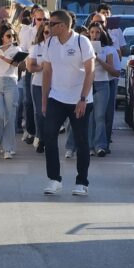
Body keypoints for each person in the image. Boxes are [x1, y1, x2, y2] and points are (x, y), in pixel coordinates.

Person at [41, 10, 95, 197]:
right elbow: (47, 72)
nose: (47, 27)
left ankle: (82, 182)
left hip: (79, 99)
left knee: (81, 140)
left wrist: (82, 99)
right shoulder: (49, 42)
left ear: (63, 26)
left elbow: (90, 72)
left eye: (51, 23)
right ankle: (54, 179)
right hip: (56, 97)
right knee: (48, 135)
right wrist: (44, 101)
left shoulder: (82, 42)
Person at [0, 23, 22, 159]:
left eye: (13, 35)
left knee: (10, 117)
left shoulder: (17, 49)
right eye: (8, 36)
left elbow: (15, 64)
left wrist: (0, 55)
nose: (11, 38)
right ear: (2, 37)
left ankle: (8, 148)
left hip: (11, 83)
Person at [18, 7, 47, 144]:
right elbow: (22, 50)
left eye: (45, 19)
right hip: (30, 69)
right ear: (34, 19)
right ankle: (30, 130)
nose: (42, 22)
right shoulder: (27, 32)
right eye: (40, 19)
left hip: (47, 73)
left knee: (44, 106)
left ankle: (41, 133)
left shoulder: (51, 33)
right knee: (29, 102)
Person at [90, 24, 119, 155]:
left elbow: (114, 71)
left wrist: (98, 59)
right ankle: (89, 146)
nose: (95, 35)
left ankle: (100, 145)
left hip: (102, 84)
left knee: (100, 116)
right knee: (89, 117)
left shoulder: (108, 49)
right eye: (92, 32)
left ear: (102, 34)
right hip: (88, 84)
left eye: (97, 32)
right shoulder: (84, 46)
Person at [27, 21, 50, 153]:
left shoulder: (59, 47)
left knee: (51, 114)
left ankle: (48, 139)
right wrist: (41, 67)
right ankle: (41, 138)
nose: (48, 35)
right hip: (38, 84)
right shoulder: (36, 47)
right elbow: (30, 67)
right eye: (46, 32)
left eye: (50, 33)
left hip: (55, 85)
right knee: (40, 113)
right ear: (42, 33)